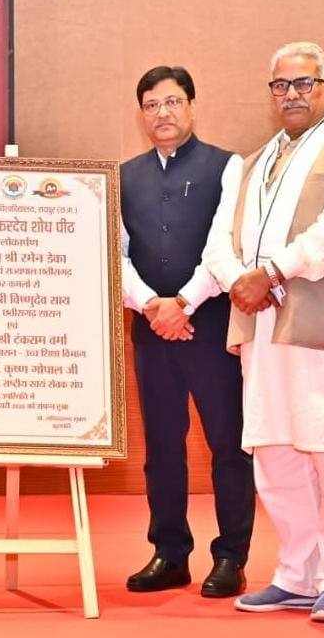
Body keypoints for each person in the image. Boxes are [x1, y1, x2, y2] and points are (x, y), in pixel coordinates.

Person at [204, 41, 324, 623]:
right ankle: (295, 574)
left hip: (319, 328)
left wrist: (271, 272)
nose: (292, 95)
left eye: (304, 84)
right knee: (274, 453)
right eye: (281, 85)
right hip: (259, 327)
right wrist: (240, 280)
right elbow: (216, 243)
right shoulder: (251, 163)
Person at [121, 66, 254, 598]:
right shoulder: (124, 174)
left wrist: (184, 303)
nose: (162, 114)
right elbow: (117, 253)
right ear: (142, 114)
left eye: (172, 102)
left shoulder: (228, 167)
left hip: (212, 326)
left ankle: (232, 556)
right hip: (151, 329)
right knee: (162, 446)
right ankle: (170, 552)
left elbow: (225, 246)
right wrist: (152, 305)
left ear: (192, 106)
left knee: (228, 443)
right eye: (151, 105)